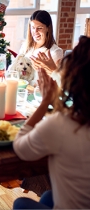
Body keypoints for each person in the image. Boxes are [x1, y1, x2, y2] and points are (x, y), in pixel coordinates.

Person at [13, 35, 90, 209]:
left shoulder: (60, 124)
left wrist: (45, 102)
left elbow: (20, 147)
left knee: (21, 203)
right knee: (49, 196)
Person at [19, 10, 63, 80]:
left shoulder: (55, 52)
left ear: (48, 28)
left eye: (39, 28)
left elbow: (59, 81)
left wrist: (51, 70)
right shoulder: (25, 46)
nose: (35, 31)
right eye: (33, 28)